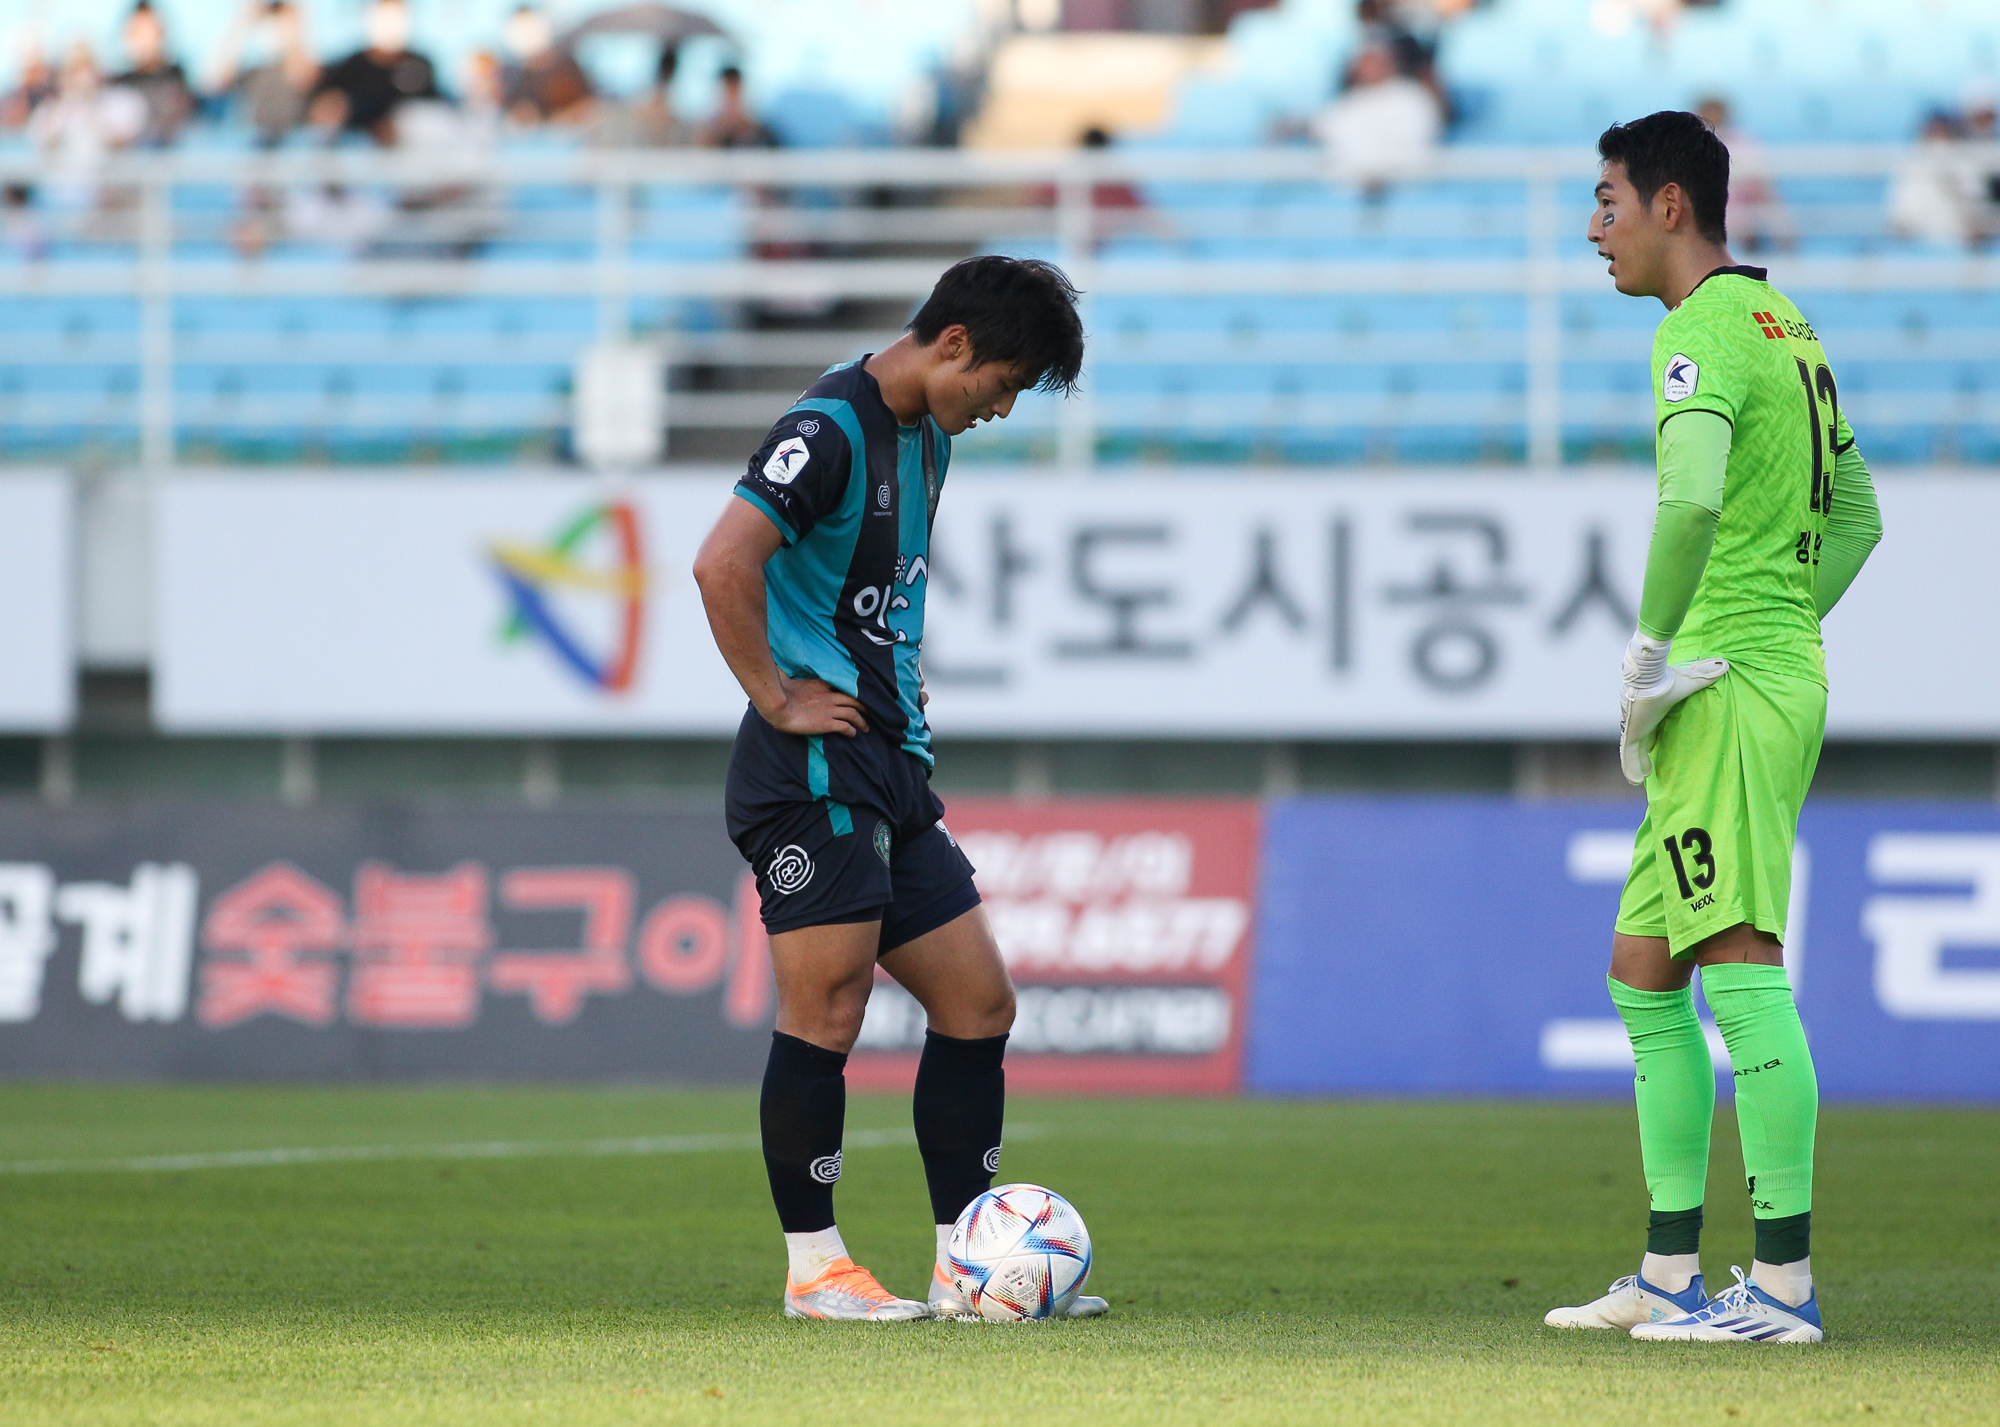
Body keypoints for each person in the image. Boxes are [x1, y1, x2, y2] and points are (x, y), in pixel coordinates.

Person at [690, 256, 1103, 1323]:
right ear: (953, 343)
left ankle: (968, 1262)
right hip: (812, 770)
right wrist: (776, 695)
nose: (1001, 409)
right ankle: (814, 1268)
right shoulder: (828, 427)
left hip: (889, 765)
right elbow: (721, 562)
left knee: (978, 1002)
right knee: (827, 1007)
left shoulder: (926, 434)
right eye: (1002, 384)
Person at [1546, 110, 1882, 1345]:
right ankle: (1667, 1272)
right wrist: (1777, 620)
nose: (1595, 229)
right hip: (1745, 672)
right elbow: (1857, 516)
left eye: (1607, 202)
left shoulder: (1694, 331)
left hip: (1721, 686)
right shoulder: (1783, 323)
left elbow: (1688, 505)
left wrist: (1653, 648)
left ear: (1668, 204)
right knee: (1643, 974)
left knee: (1738, 963)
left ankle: (1781, 1286)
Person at [1312, 41, 1442, 192]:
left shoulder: (1414, 97)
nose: (1370, 68)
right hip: (1350, 189)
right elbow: (1331, 141)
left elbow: (1415, 144)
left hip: (1408, 186)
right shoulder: (1344, 105)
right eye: (1365, 62)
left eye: (1376, 61)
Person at [308, 0, 440, 143]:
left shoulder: (420, 64)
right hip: (355, 146)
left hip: (408, 148)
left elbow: (435, 111)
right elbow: (324, 108)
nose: (390, 26)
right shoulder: (351, 66)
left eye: (397, 19)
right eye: (385, 18)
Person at [204, 0, 320, 148]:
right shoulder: (254, 71)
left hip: (293, 149)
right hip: (251, 146)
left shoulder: (301, 64)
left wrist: (292, 23)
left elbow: (303, 77)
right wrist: (244, 22)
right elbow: (217, 80)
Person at [109, 2, 195, 147]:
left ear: (160, 33)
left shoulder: (176, 78)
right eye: (137, 33)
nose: (143, 41)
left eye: (148, 32)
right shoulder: (119, 84)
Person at [499, 5, 593, 126]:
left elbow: (589, 103)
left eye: (530, 28)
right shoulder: (513, 79)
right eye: (521, 30)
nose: (527, 34)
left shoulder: (566, 63)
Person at [698, 65, 774, 148]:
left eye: (734, 93)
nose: (731, 99)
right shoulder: (706, 134)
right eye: (727, 93)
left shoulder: (762, 134)